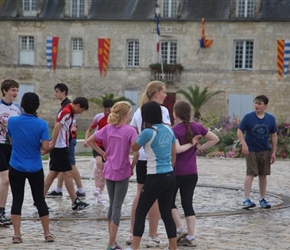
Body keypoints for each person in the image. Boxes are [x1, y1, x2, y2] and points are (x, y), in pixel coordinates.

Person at [86, 101, 139, 250]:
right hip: (122, 170)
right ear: (127, 114)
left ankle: (112, 241)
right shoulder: (130, 131)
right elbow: (136, 153)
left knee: (112, 205)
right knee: (117, 206)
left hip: (109, 169)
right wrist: (132, 167)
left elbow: (89, 141)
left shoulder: (108, 128)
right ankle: (111, 243)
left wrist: (102, 152)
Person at [127, 101, 177, 250]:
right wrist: (170, 169)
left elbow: (133, 147)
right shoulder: (169, 130)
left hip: (155, 175)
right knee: (166, 213)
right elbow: (174, 153)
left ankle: (135, 246)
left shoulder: (148, 132)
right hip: (169, 175)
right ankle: (173, 246)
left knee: (141, 211)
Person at [171, 100, 220, 247]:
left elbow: (177, 149)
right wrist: (201, 148)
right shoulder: (196, 127)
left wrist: (193, 145)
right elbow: (215, 138)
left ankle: (179, 228)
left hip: (176, 172)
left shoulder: (174, 130)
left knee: (168, 201)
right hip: (192, 172)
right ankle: (191, 236)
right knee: (187, 203)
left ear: (175, 113)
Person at [7, 92, 54, 243]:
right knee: (40, 199)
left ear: (22, 105)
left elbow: (11, 139)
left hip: (16, 165)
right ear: (37, 106)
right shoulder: (41, 124)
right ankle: (47, 233)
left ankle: (17, 234)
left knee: (17, 200)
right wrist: (40, 146)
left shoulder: (12, 121)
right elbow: (46, 147)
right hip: (34, 166)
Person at [43, 97, 91, 211]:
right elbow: (57, 127)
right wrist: (53, 143)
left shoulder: (69, 112)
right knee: (68, 173)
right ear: (78, 105)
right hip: (60, 147)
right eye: (82, 110)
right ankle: (75, 201)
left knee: (53, 173)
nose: (81, 112)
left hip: (62, 146)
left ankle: (39, 198)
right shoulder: (67, 112)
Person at [237, 95, 277, 209]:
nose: (256, 105)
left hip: (264, 150)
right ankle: (246, 199)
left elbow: (274, 135)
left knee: (263, 174)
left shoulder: (270, 119)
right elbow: (240, 131)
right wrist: (244, 145)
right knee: (250, 173)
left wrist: (273, 151)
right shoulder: (248, 117)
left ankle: (262, 198)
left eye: (259, 103)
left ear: (265, 106)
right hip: (251, 150)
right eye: (255, 103)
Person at [47, 83, 86, 198]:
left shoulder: (67, 108)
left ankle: (79, 190)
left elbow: (59, 126)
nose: (55, 94)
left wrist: (53, 142)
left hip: (66, 142)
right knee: (61, 169)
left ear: (63, 92)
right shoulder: (67, 108)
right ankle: (59, 190)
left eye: (57, 91)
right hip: (63, 142)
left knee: (69, 166)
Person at [84, 99, 114, 204]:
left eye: (109, 111)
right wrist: (86, 140)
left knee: (105, 169)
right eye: (105, 110)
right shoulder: (98, 117)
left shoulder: (115, 119)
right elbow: (89, 130)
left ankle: (100, 194)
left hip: (109, 147)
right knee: (98, 163)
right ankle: (97, 188)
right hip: (98, 146)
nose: (107, 113)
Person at [0, 79, 21, 226]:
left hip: (11, 146)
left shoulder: (17, 109)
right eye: (13, 90)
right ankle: (1, 212)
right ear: (5, 91)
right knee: (5, 179)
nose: (15, 93)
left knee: (7, 181)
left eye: (17, 90)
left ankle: (2, 210)